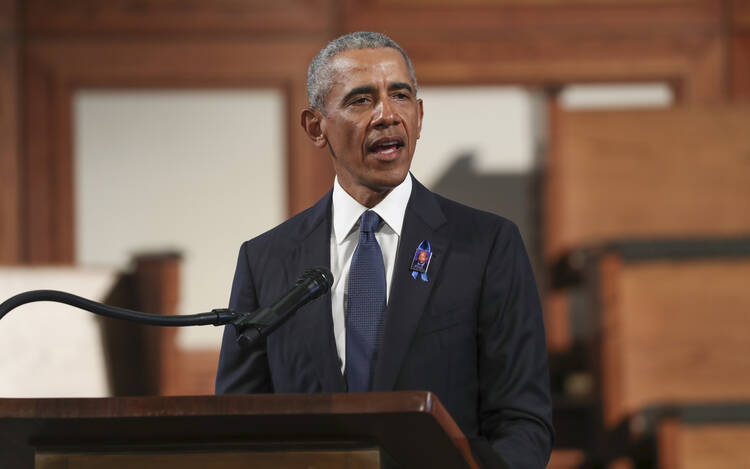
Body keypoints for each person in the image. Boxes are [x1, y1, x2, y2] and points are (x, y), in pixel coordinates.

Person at [216, 31, 554, 468]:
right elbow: (238, 426)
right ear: (315, 127)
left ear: (419, 114)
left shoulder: (486, 245)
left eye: (400, 95)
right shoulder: (266, 260)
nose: (387, 115)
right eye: (361, 100)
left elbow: (523, 423)